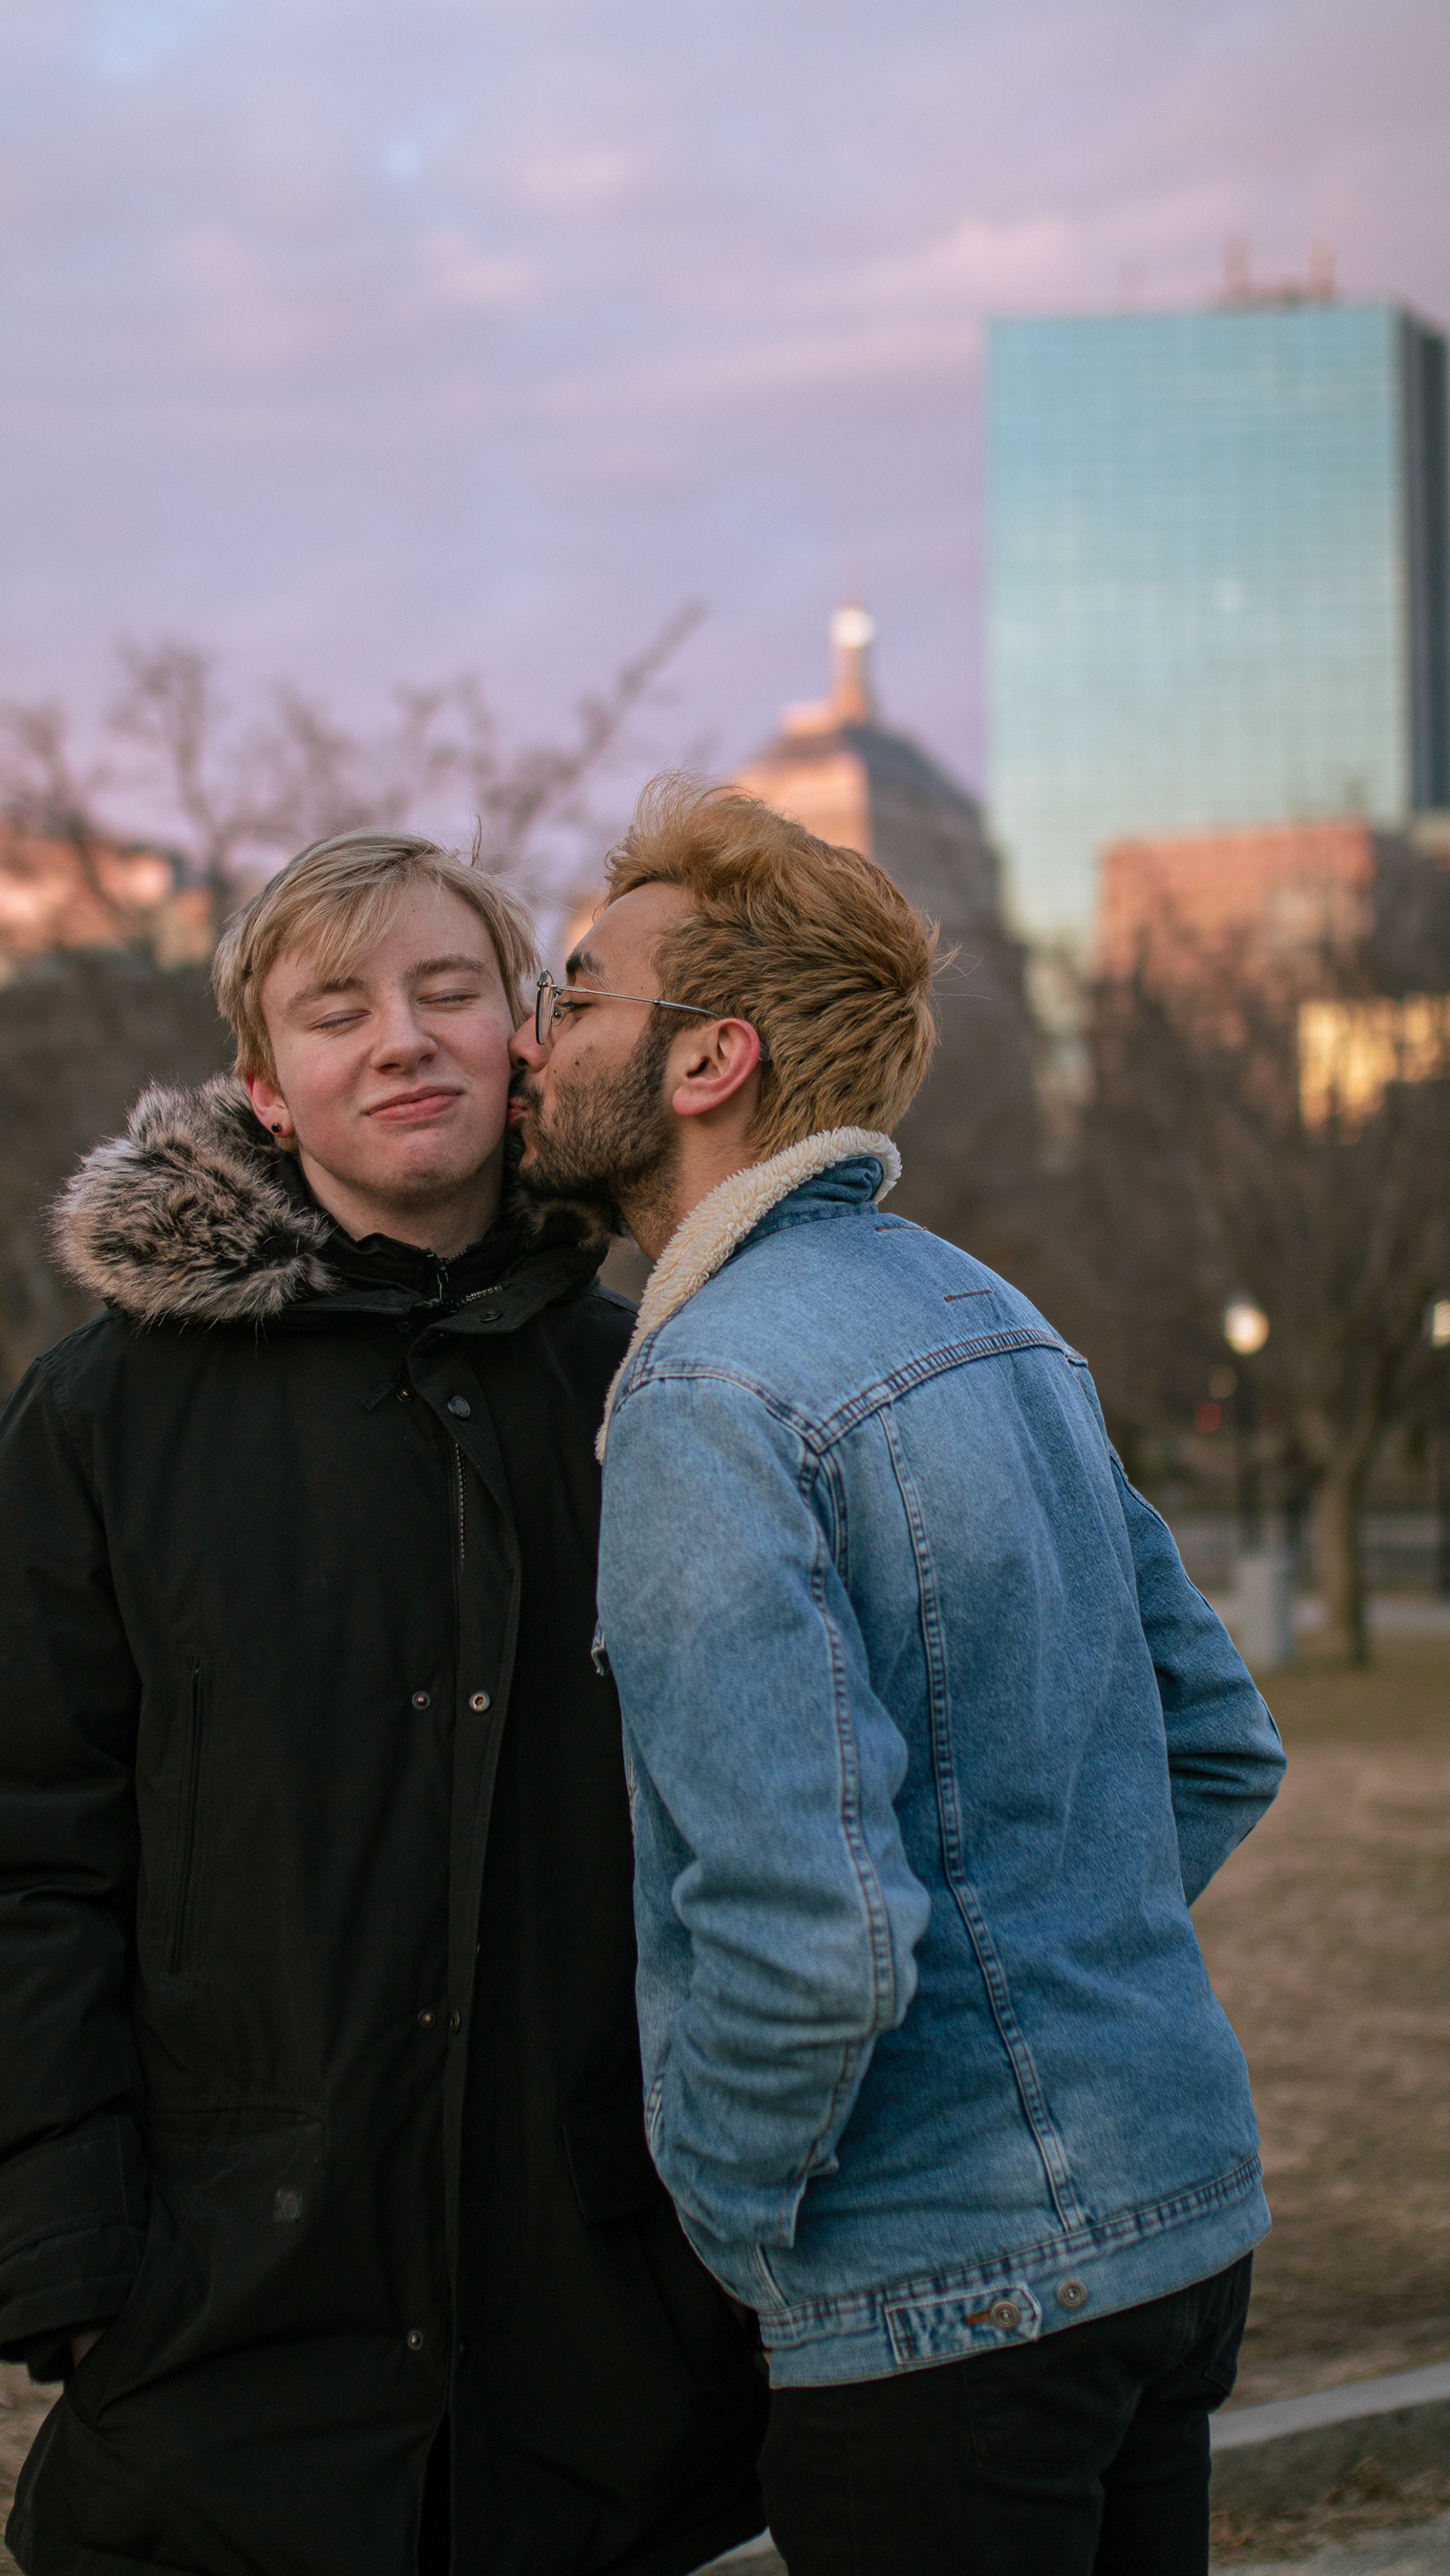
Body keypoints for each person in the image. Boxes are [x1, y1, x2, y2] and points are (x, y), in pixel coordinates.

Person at [0, 830, 767, 2576]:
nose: (403, 1038)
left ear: (526, 1038)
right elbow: (12, 1879)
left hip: (602, 2356)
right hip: (225, 2341)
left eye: (452, 990)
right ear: (263, 1087)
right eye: (338, 1008)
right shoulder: (102, 1418)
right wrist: (75, 2280)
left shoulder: (666, 1384)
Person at [507, 776, 1286, 2576]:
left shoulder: (705, 1398)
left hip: (943, 2298)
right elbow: (1219, 1745)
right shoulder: (988, 1311)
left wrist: (736, 2215)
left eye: (578, 993)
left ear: (708, 1066)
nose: (535, 1041)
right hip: (1178, 2225)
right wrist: (1041, 1969)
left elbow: (808, 1931)